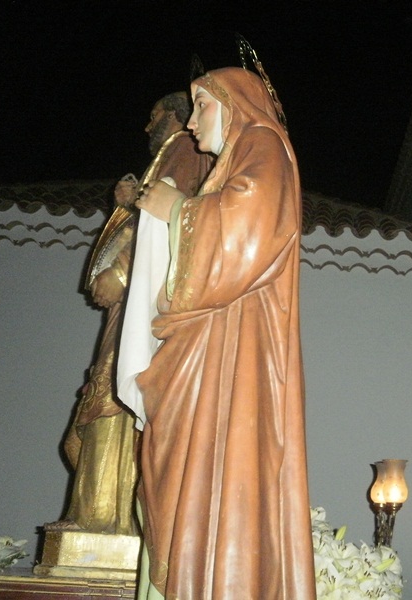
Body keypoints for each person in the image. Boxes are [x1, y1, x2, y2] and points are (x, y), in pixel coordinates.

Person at [120, 65, 315, 599]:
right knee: (185, 478)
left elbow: (244, 236)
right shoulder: (230, 160)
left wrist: (176, 209)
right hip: (206, 348)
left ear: (235, 103)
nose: (190, 122)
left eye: (201, 103)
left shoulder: (263, 144)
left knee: (221, 473)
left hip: (234, 353)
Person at [56, 92, 212, 535]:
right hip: (132, 307)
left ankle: (103, 518)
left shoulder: (182, 148)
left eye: (153, 116)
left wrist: (121, 274)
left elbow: (169, 222)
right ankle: (104, 515)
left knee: (117, 395)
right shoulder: (173, 152)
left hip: (142, 307)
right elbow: (149, 217)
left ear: (176, 116)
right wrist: (127, 207)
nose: (148, 127)